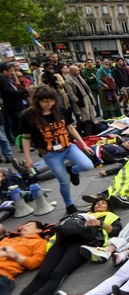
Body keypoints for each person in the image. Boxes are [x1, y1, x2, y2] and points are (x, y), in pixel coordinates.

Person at [0, 198, 121, 295]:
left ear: (108, 208)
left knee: (57, 274)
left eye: (103, 203)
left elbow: (115, 230)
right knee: (42, 275)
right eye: (97, 203)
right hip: (61, 241)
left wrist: (100, 223)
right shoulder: (79, 213)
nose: (99, 204)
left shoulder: (110, 216)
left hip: (82, 242)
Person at [20, 86, 95, 215]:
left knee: (87, 165)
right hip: (50, 153)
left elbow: (70, 128)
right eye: (45, 101)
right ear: (37, 100)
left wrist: (83, 144)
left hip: (68, 146)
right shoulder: (28, 115)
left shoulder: (59, 110)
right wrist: (27, 157)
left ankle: (73, 170)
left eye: (51, 101)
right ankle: (69, 204)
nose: (49, 104)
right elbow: (26, 137)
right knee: (63, 181)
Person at [0, 221, 47, 295]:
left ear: (38, 230)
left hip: (3, 275)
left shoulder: (39, 242)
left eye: (29, 225)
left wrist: (16, 256)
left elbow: (35, 262)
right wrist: (5, 249)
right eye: (23, 225)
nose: (24, 227)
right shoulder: (8, 238)